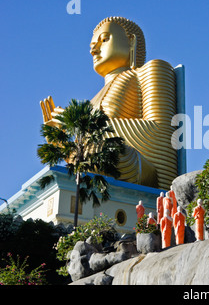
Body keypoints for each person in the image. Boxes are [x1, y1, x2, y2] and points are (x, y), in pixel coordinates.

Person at [39, 16, 180, 190]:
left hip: (138, 170)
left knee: (109, 152)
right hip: (99, 167)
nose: (94, 50)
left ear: (131, 41)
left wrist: (87, 125)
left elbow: (162, 133)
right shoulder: (91, 101)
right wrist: (61, 142)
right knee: (89, 154)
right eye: (92, 46)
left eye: (104, 39)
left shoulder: (150, 70)